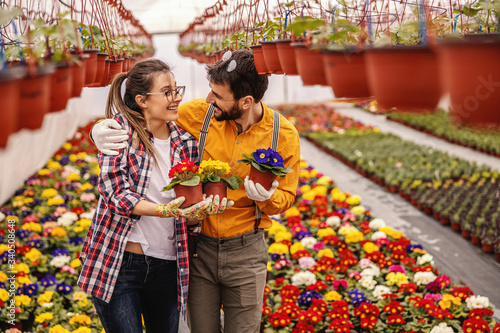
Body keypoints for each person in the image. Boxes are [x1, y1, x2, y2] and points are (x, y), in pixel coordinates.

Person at [91, 50, 301, 333]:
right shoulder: (197, 116)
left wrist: (268, 199)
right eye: (209, 90)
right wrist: (98, 130)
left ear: (246, 101)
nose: (207, 99)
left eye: (217, 94)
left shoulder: (283, 135)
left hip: (246, 249)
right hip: (199, 250)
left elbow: (285, 199)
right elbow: (140, 117)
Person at [78, 59, 231, 333]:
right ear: (143, 100)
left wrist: (198, 213)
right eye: (168, 91)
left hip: (167, 263)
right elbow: (115, 193)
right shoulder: (119, 133)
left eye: (177, 89)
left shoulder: (186, 142)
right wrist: (165, 211)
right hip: (120, 261)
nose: (177, 98)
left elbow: (189, 204)